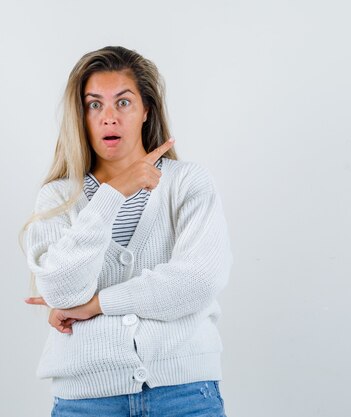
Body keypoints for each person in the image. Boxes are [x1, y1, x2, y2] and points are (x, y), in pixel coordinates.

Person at [19, 46, 232, 417]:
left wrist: (95, 305)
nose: (109, 118)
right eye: (94, 104)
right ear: (80, 115)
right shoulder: (57, 196)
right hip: (87, 401)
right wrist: (113, 194)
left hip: (184, 395)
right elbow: (60, 289)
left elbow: (198, 281)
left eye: (123, 102)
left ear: (146, 110)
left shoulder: (187, 183)